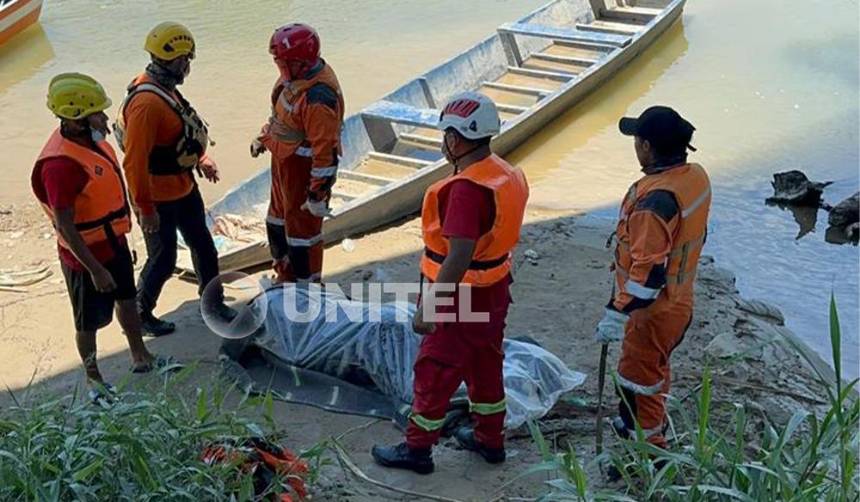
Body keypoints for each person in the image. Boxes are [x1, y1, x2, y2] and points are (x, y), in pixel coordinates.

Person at [371, 92, 529, 474]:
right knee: (484, 362)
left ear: (455, 141)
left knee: (435, 368)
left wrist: (431, 306)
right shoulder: (504, 173)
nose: (443, 143)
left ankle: (417, 449)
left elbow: (458, 255)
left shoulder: (465, 190)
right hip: (494, 287)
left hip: (462, 294)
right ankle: (490, 440)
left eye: (445, 136)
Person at [31, 73, 173, 403]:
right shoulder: (60, 165)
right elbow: (65, 226)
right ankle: (94, 379)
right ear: (77, 119)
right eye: (97, 113)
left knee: (126, 300)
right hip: (84, 256)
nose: (105, 118)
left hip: (113, 242)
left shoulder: (92, 142)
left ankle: (141, 357)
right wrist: (95, 269)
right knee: (87, 321)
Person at [594, 106, 710, 477]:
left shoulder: (653, 205)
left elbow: (647, 276)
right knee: (654, 373)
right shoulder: (694, 177)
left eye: (636, 141)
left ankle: (647, 456)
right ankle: (643, 433)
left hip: (653, 312)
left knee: (636, 382)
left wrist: (616, 313)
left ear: (646, 147)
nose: (635, 147)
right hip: (680, 301)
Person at [114, 21, 233, 336]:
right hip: (158, 198)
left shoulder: (165, 89)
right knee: (163, 259)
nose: (188, 66)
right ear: (174, 59)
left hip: (183, 187)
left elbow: (180, 134)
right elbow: (135, 162)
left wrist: (201, 158)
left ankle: (213, 302)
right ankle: (140, 313)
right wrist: (144, 207)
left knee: (205, 248)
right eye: (187, 60)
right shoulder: (146, 104)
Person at [251, 23, 344, 283]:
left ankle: (307, 288)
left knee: (303, 237)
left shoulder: (318, 98)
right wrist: (263, 137)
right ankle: (284, 275)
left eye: (283, 63)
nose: (279, 69)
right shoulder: (293, 81)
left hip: (302, 174)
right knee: (276, 224)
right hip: (283, 167)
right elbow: (280, 117)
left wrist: (317, 193)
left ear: (302, 62)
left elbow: (325, 154)